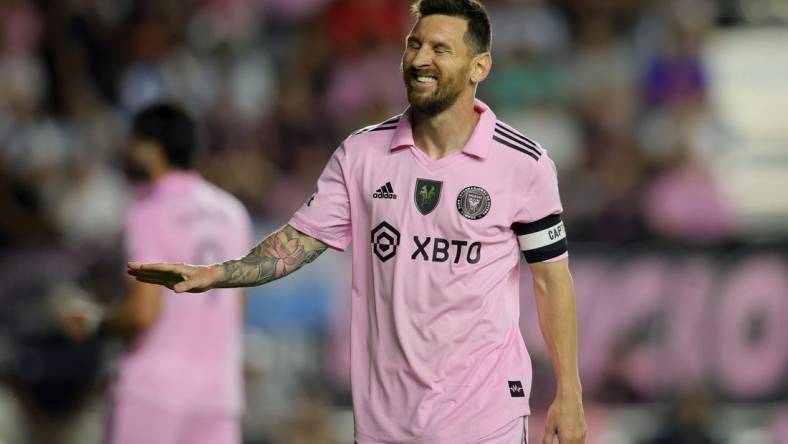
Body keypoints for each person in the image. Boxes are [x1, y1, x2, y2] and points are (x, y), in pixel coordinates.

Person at [129, 1, 586, 443]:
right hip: (384, 422)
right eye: (414, 44)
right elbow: (300, 241)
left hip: (483, 417)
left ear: (479, 67)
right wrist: (219, 273)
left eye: (440, 49)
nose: (420, 59)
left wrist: (570, 393)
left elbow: (551, 282)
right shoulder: (361, 154)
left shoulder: (522, 164)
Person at [102, 103, 252, 444]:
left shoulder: (148, 211)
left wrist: (97, 322)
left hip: (153, 395)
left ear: (153, 149)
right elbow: (236, 309)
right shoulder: (232, 212)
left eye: (133, 140)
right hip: (218, 396)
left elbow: (143, 313)